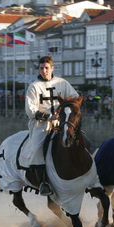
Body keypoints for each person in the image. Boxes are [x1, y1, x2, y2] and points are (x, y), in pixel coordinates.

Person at [24, 56, 78, 196]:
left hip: (61, 122)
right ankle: (43, 183)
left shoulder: (62, 83)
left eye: (47, 68)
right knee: (36, 149)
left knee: (78, 138)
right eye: (41, 68)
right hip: (42, 125)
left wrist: (67, 109)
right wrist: (48, 117)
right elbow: (30, 110)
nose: (44, 70)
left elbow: (74, 98)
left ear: (52, 68)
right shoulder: (34, 86)